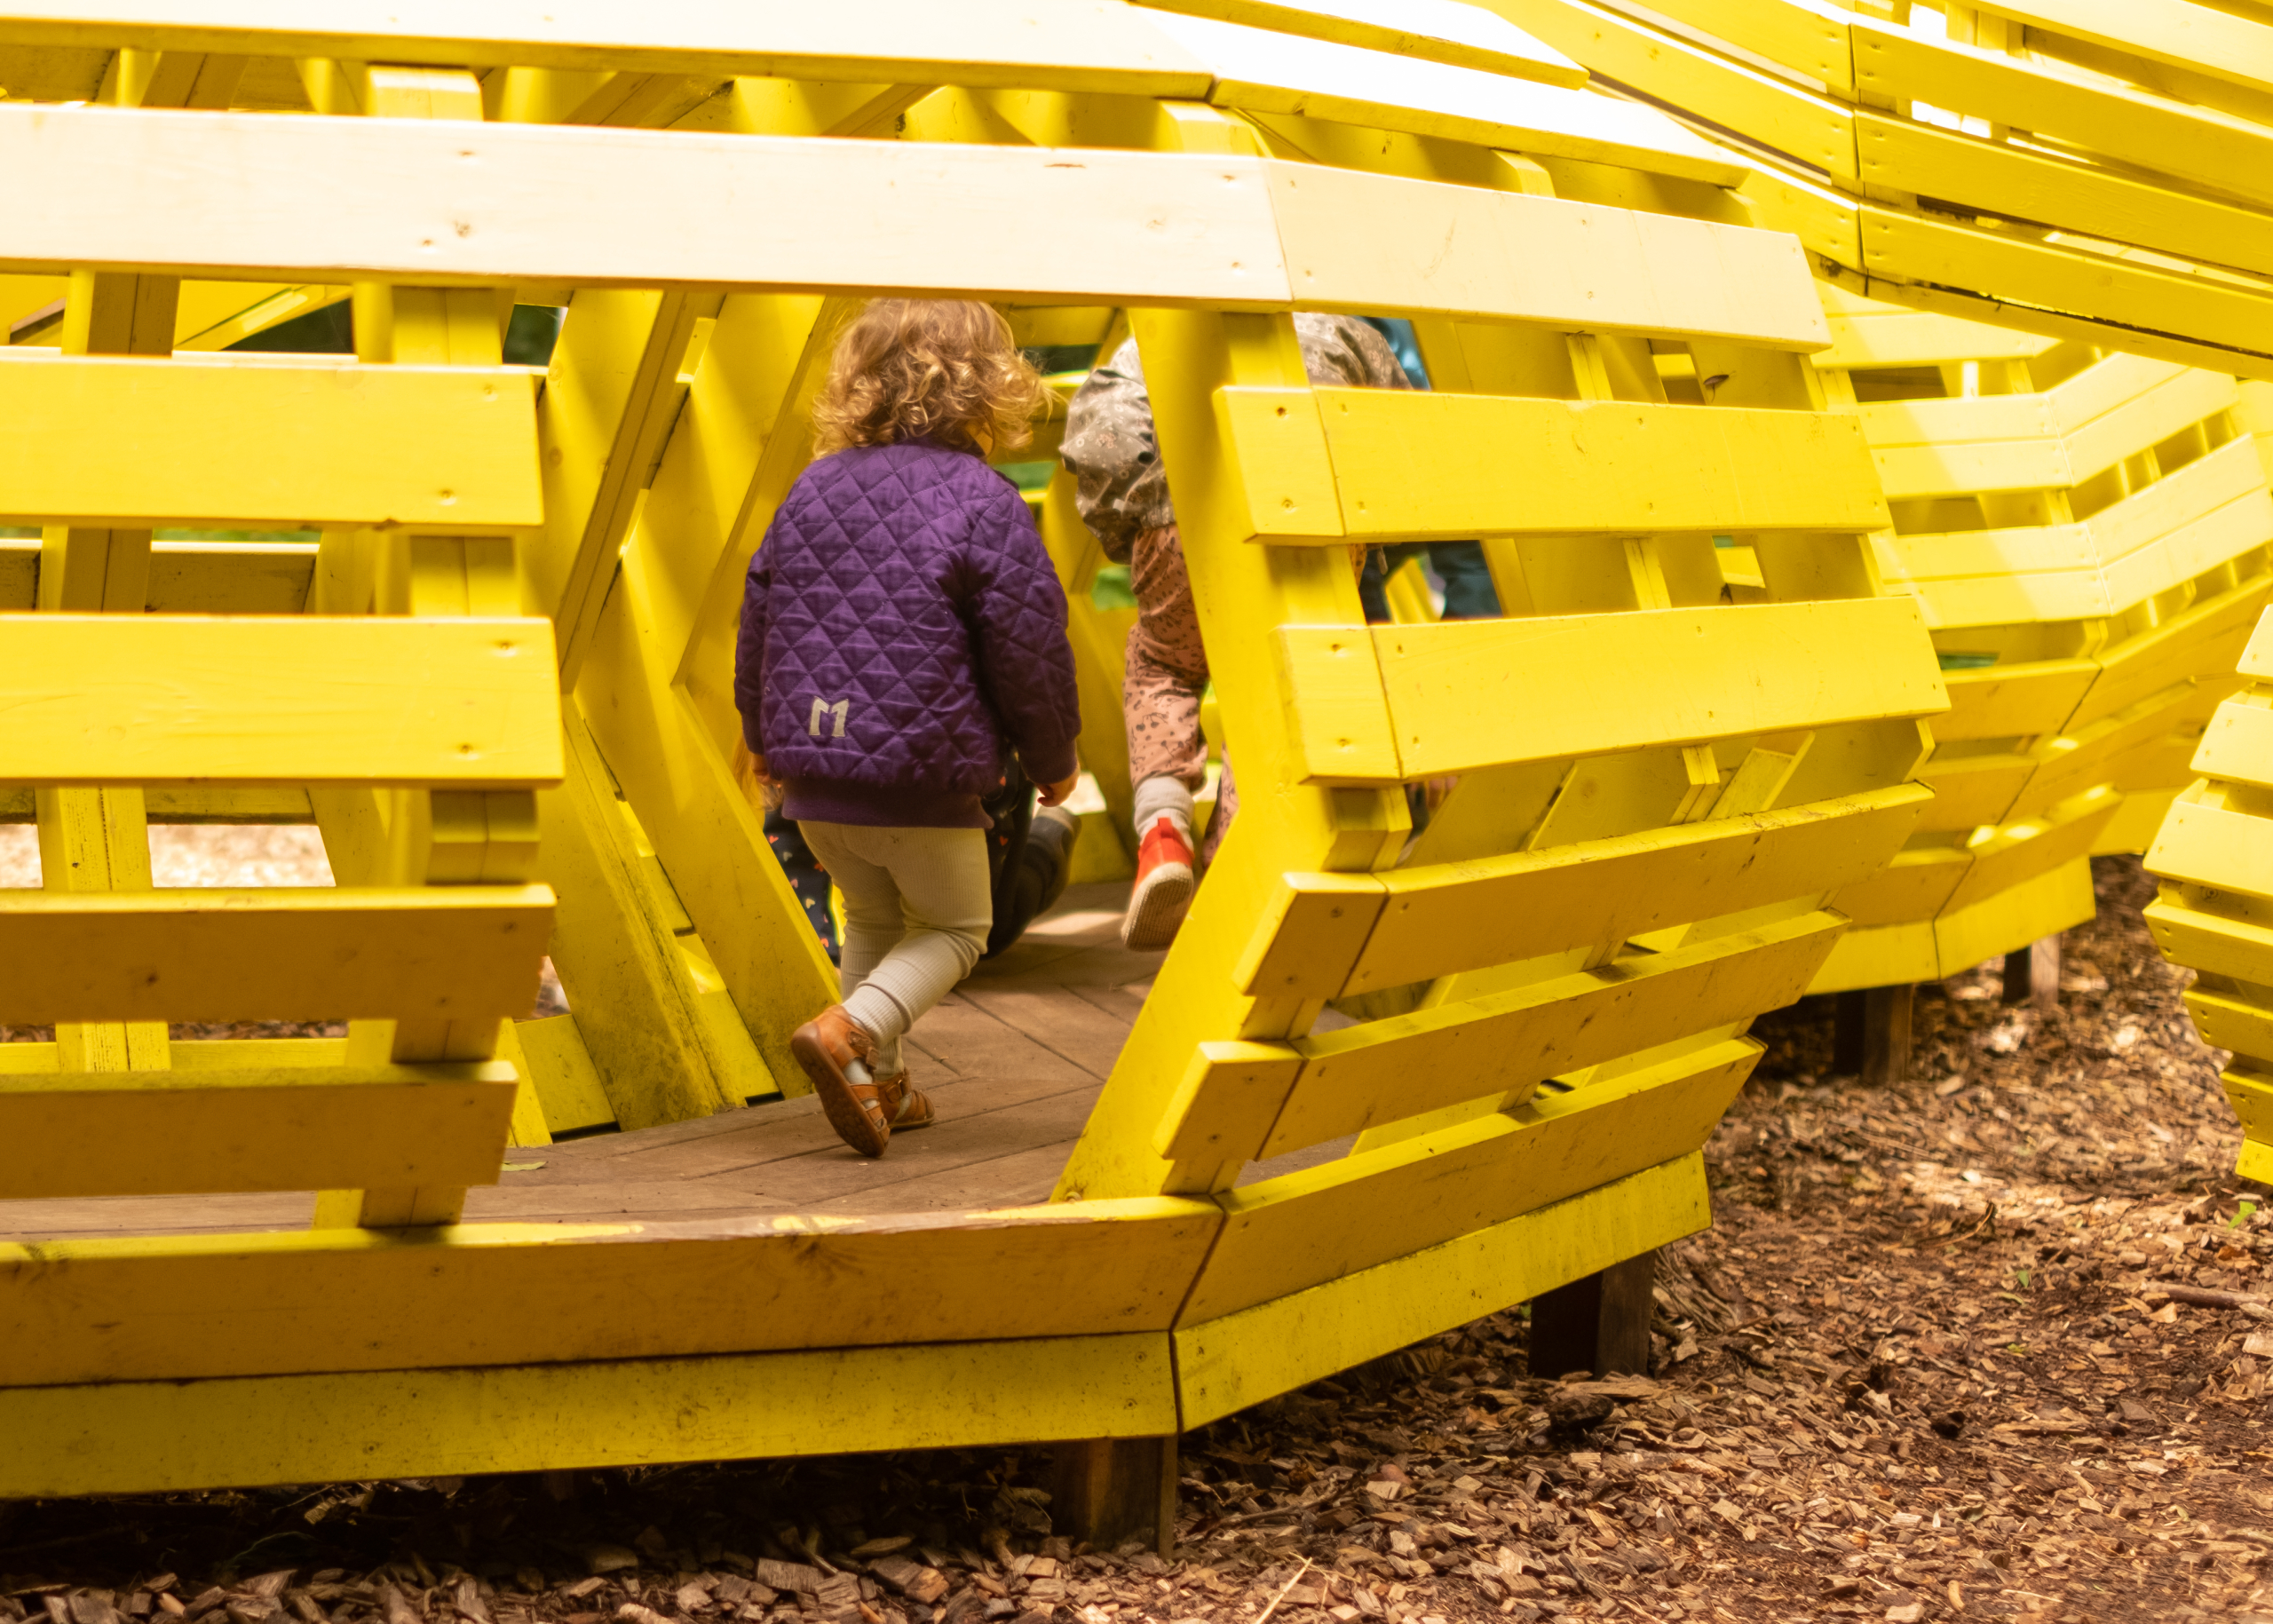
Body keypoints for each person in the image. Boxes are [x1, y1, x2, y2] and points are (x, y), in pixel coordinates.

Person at [735, 298, 1081, 1158]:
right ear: (987, 394)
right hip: (922, 782)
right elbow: (1027, 645)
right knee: (959, 928)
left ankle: (879, 1080)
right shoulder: (985, 503)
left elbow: (759, 618)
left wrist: (761, 736)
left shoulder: (810, 489)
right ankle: (851, 1031)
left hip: (815, 784)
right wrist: (1054, 759)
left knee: (875, 922)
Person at [1061, 314, 1422, 950]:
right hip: (1311, 524)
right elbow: (1400, 434)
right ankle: (1233, 860)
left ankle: (1164, 830)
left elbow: (1101, 427)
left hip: (1175, 517)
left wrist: (1133, 528)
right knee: (1273, 689)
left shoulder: (1154, 331)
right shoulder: (1342, 328)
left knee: (1162, 664)